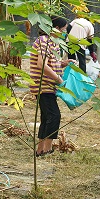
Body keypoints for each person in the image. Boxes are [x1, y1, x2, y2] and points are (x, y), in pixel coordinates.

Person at [31, 16, 68, 157]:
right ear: (56, 29)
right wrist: (58, 79)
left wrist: (63, 63)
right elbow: (41, 65)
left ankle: (40, 150)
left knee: (47, 117)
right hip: (43, 85)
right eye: (64, 30)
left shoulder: (52, 43)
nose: (64, 33)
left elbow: (50, 63)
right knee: (54, 116)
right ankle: (47, 149)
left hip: (48, 86)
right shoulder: (44, 41)